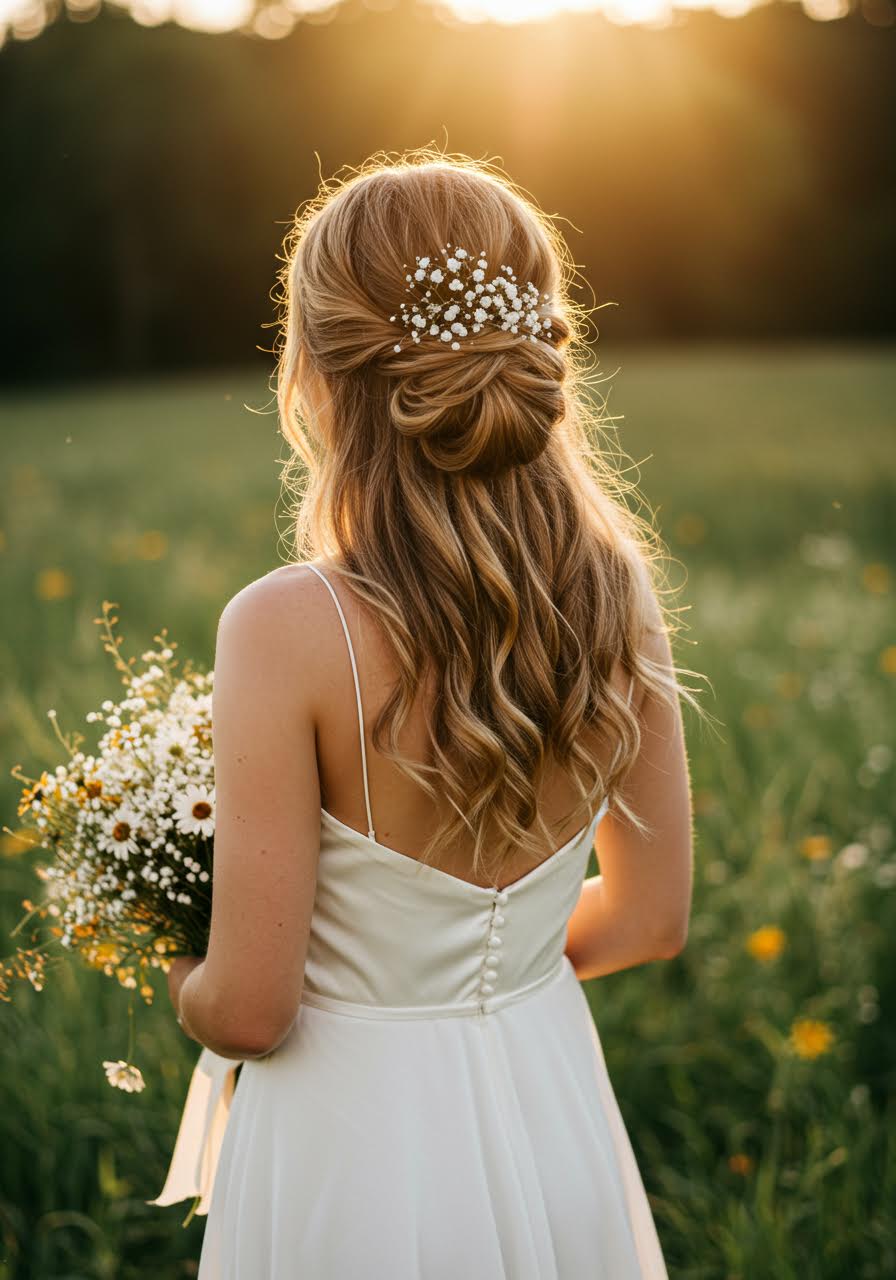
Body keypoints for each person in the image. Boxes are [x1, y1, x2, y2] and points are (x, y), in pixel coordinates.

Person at [153, 150, 698, 1277]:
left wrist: (176, 959)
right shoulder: (617, 593)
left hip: (350, 1143)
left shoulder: (285, 626)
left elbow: (249, 1012)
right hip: (548, 1101)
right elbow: (650, 920)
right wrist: (482, 977)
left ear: (315, 375)